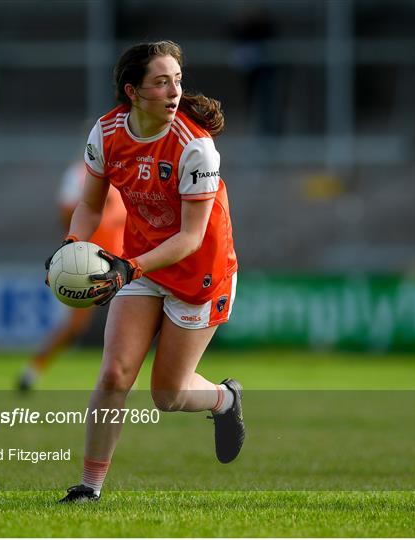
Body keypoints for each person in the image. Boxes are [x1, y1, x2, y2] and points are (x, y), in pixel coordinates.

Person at [52, 40, 245, 503]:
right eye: (161, 82)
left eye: (177, 80)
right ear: (132, 91)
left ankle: (225, 399)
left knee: (168, 394)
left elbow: (192, 239)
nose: (174, 91)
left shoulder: (195, 146)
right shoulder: (106, 133)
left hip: (200, 273)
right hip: (140, 266)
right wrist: (72, 248)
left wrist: (128, 267)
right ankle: (89, 487)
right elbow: (89, 203)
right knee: (115, 375)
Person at [17, 160, 126, 390]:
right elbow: (65, 214)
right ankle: (32, 370)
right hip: (88, 263)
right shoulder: (79, 175)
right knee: (75, 325)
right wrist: (95, 203)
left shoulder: (130, 171)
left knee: (128, 323)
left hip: (124, 262)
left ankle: (123, 376)